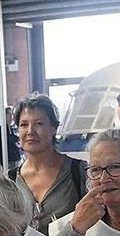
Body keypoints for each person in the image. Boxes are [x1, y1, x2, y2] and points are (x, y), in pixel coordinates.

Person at [11, 93, 88, 228]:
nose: (30, 131)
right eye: (23, 124)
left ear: (54, 128)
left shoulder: (78, 171)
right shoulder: (9, 180)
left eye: (39, 124)